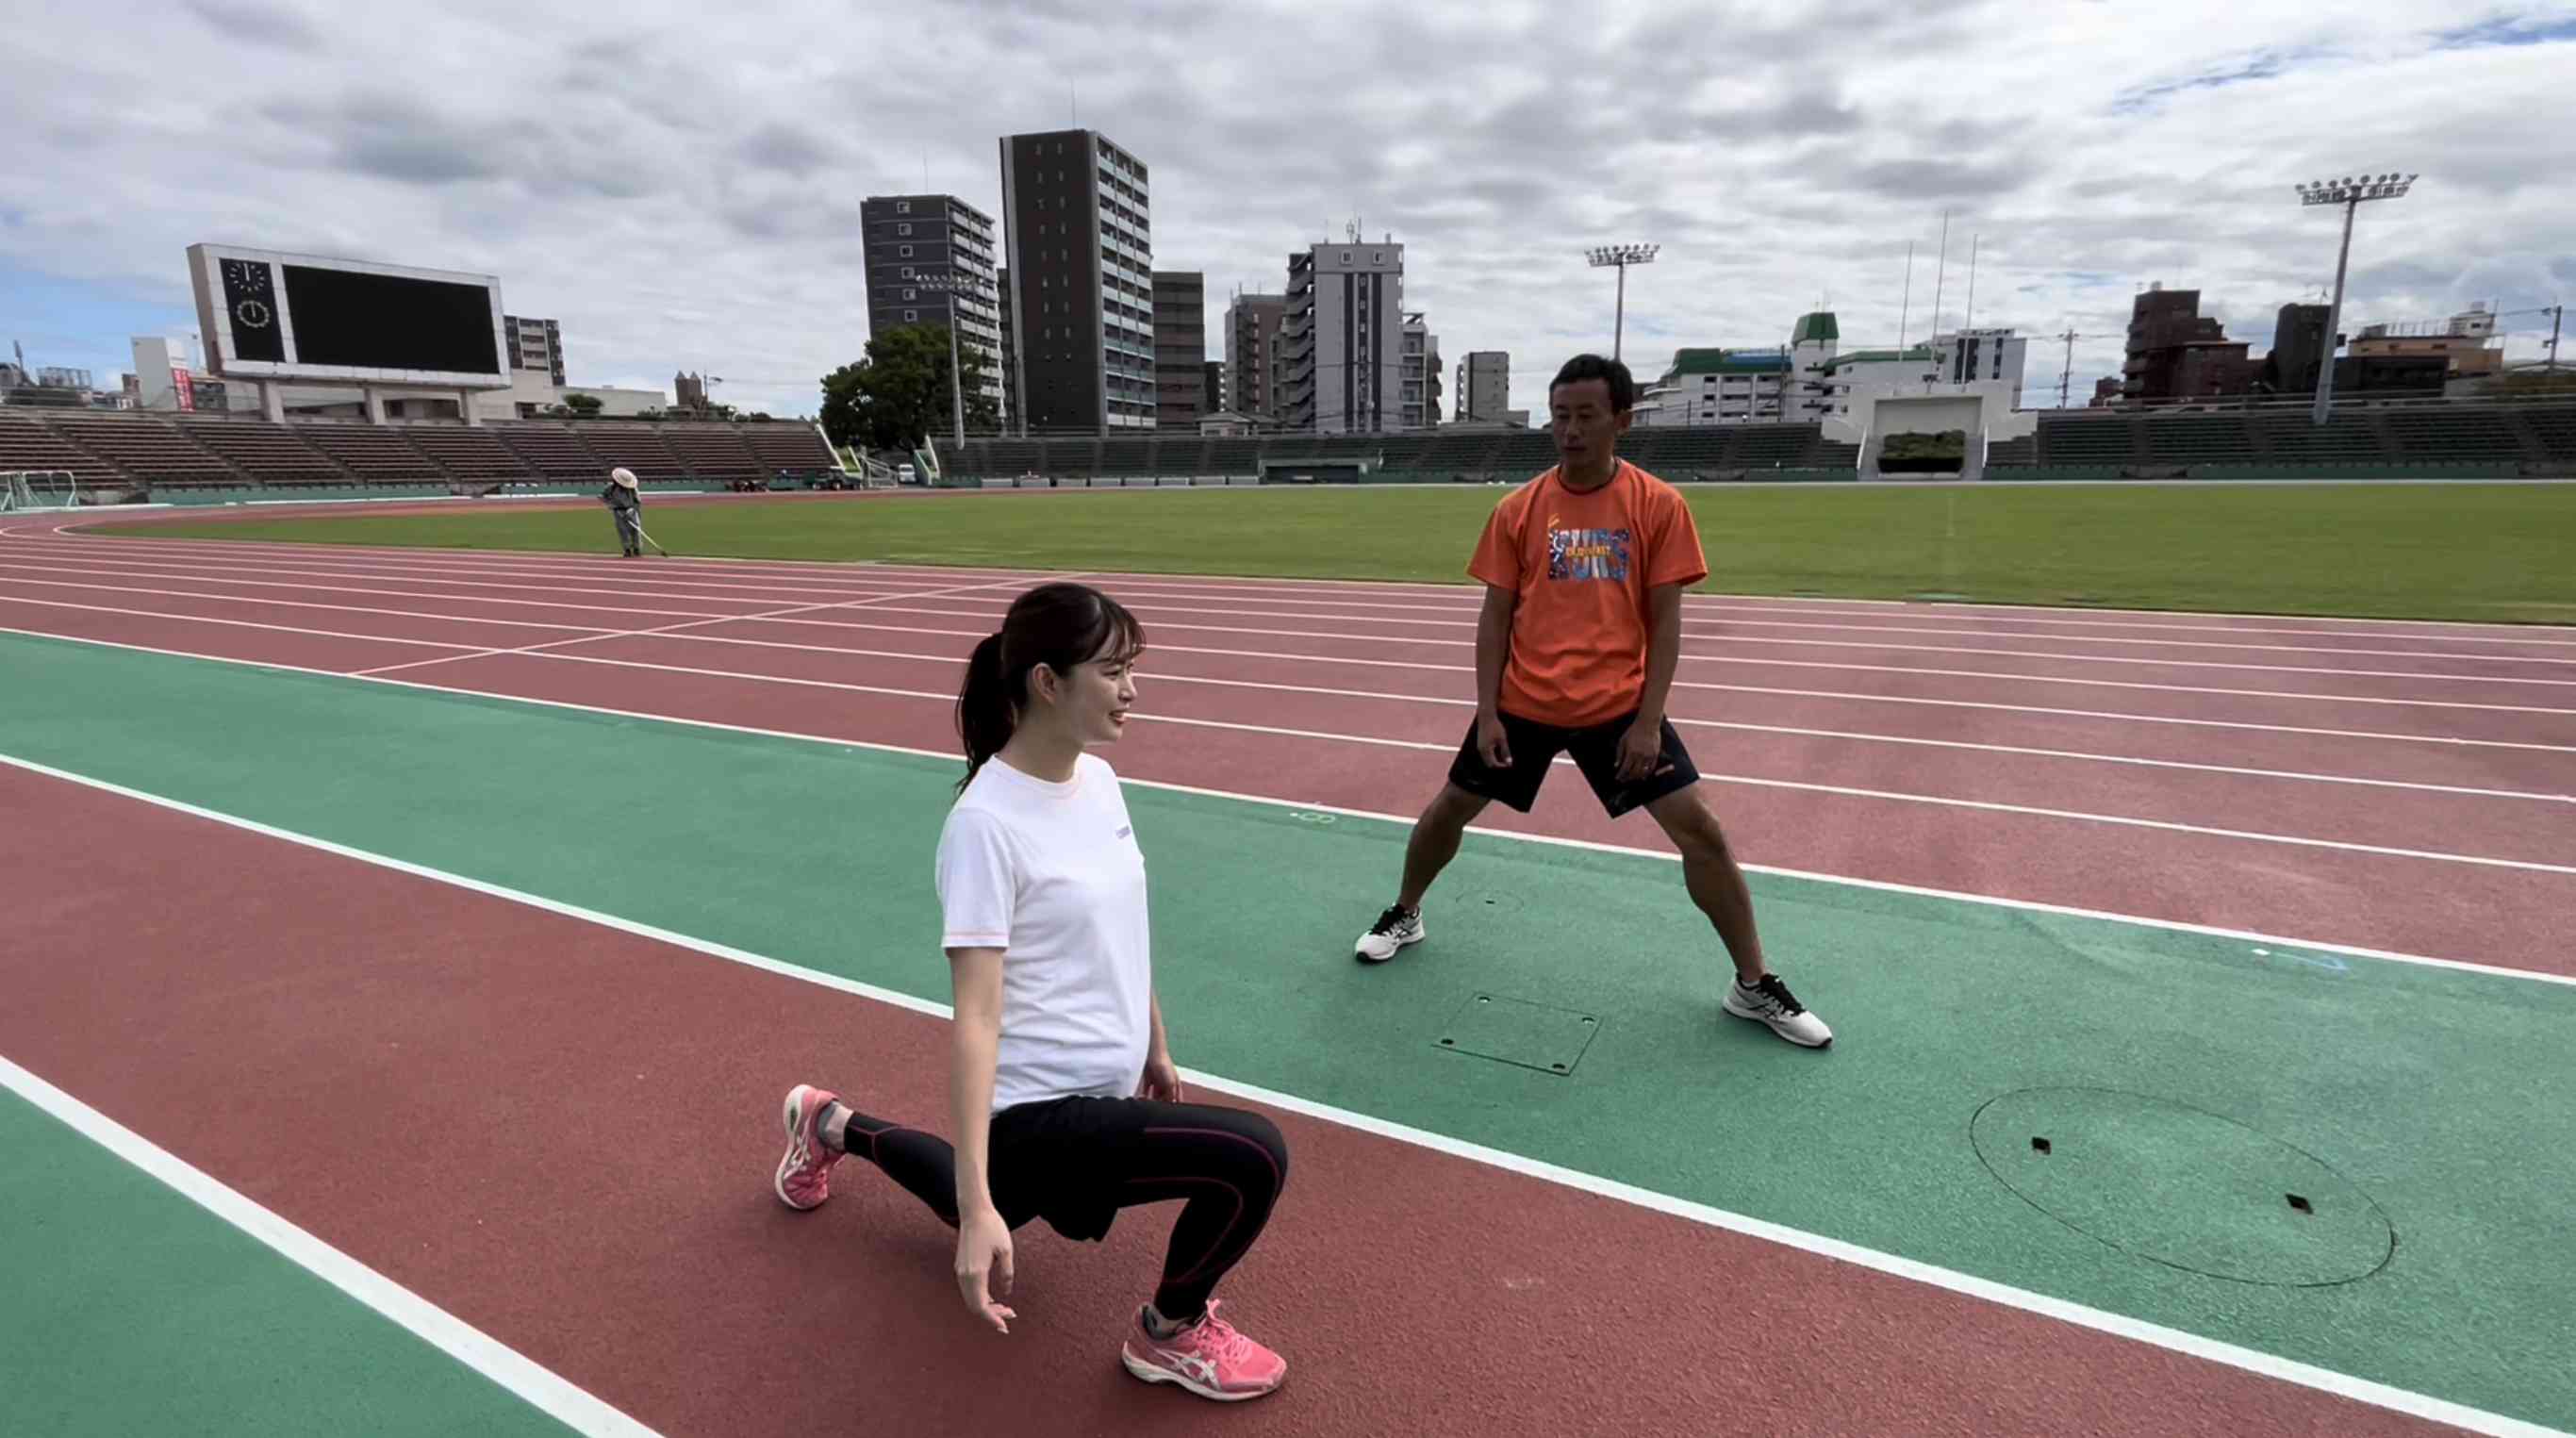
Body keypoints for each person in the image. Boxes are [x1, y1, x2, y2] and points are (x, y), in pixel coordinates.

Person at [770, 581, 1292, 1402]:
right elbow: (976, 1018)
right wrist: (983, 1202)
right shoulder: (986, 825)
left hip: (1104, 1090)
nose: (1132, 689)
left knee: (964, 1200)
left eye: (1133, 668)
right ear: (1048, 682)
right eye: (1113, 670)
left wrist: (1153, 1040)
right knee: (1254, 1154)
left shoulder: (1103, 782)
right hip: (1040, 1113)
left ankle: (828, 1120)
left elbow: (1125, 920)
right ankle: (1172, 1331)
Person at [1352, 355, 1833, 1050]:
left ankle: (1752, 984)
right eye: (1560, 416)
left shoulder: (1657, 505)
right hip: (1523, 701)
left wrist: (1647, 719)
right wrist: (1488, 710)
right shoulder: (1517, 509)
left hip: (1618, 709)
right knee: (1449, 808)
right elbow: (1494, 618)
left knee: (1702, 832)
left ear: (1622, 420)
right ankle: (1405, 911)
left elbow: (1666, 622)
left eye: (1585, 416)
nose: (1570, 430)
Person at [601, 466, 644, 556]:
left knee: (635, 530)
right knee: (623, 531)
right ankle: (627, 549)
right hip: (618, 512)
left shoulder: (632, 489)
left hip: (631, 511)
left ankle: (637, 548)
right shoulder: (610, 488)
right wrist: (610, 505)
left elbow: (638, 502)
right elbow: (603, 497)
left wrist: (633, 509)